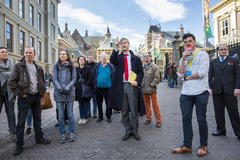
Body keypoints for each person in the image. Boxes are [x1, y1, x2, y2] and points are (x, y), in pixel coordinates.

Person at [171, 33, 210, 156]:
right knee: (186, 119)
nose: (188, 43)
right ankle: (187, 145)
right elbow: (180, 74)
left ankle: (204, 145)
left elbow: (202, 73)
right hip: (186, 93)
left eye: (190, 41)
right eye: (186, 42)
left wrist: (187, 78)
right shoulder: (184, 57)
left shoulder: (203, 54)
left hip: (200, 92)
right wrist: (182, 58)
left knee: (201, 120)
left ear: (194, 41)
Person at [8, 46, 50, 155]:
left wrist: (41, 91)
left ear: (34, 54)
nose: (28, 54)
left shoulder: (39, 68)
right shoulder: (18, 67)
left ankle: (39, 138)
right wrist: (21, 93)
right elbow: (11, 82)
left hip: (36, 97)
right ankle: (19, 144)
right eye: (26, 52)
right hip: (25, 97)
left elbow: (41, 80)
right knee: (21, 122)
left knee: (37, 119)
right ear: (24, 54)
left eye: (30, 53)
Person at [109, 37, 145, 141]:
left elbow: (140, 71)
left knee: (134, 110)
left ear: (129, 44)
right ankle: (128, 130)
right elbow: (112, 61)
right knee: (124, 110)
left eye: (125, 43)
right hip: (121, 86)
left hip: (131, 85)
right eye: (121, 43)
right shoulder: (118, 57)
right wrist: (115, 49)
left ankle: (135, 131)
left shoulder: (136, 58)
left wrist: (137, 81)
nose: (123, 45)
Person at [209, 44, 240, 140]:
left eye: (225, 49)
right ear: (217, 51)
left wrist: (237, 88)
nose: (223, 51)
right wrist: (210, 88)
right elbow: (210, 76)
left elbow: (238, 75)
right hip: (217, 90)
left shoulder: (234, 60)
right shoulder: (213, 62)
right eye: (221, 49)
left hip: (230, 90)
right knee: (218, 111)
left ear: (227, 50)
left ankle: (238, 132)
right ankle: (221, 130)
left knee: (233, 112)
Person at [53, 49, 76, 143]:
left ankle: (71, 132)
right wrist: (60, 89)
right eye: (60, 54)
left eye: (64, 54)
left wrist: (67, 88)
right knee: (61, 115)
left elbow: (74, 78)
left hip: (69, 92)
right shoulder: (56, 65)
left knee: (70, 114)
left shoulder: (71, 65)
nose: (62, 55)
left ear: (67, 56)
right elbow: (55, 78)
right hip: (59, 93)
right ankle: (62, 133)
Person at [0, 46, 16, 142]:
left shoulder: (12, 64)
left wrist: (5, 74)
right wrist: (8, 74)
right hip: (0, 92)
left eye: (6, 51)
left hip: (10, 92)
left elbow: (15, 75)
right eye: (2, 52)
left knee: (10, 113)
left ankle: (12, 133)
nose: (5, 53)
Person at [141, 52, 162, 128]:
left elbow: (157, 78)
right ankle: (148, 118)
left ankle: (158, 120)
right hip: (144, 89)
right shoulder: (142, 67)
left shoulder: (154, 67)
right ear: (143, 58)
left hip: (152, 89)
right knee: (146, 105)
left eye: (147, 56)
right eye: (145, 56)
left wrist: (152, 85)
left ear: (150, 57)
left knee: (155, 105)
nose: (146, 57)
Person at [93, 52, 113, 123]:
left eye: (105, 57)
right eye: (102, 57)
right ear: (100, 58)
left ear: (107, 58)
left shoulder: (110, 66)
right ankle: (100, 116)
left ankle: (109, 117)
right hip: (98, 88)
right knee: (99, 103)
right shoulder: (97, 66)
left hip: (108, 88)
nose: (104, 58)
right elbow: (94, 76)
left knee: (108, 103)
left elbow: (112, 76)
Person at [75, 56, 92, 125]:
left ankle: (85, 117)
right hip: (78, 88)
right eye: (80, 60)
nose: (81, 61)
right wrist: (76, 85)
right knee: (80, 104)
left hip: (85, 88)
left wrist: (87, 84)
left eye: (82, 60)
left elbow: (91, 77)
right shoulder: (76, 69)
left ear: (84, 61)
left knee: (85, 103)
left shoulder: (88, 69)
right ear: (78, 61)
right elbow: (74, 78)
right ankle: (81, 117)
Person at [86, 53, 98, 118]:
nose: (90, 58)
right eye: (88, 57)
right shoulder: (85, 65)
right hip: (88, 85)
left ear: (93, 58)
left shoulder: (96, 65)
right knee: (87, 99)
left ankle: (94, 112)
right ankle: (88, 112)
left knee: (95, 99)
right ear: (87, 58)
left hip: (94, 84)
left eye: (91, 57)